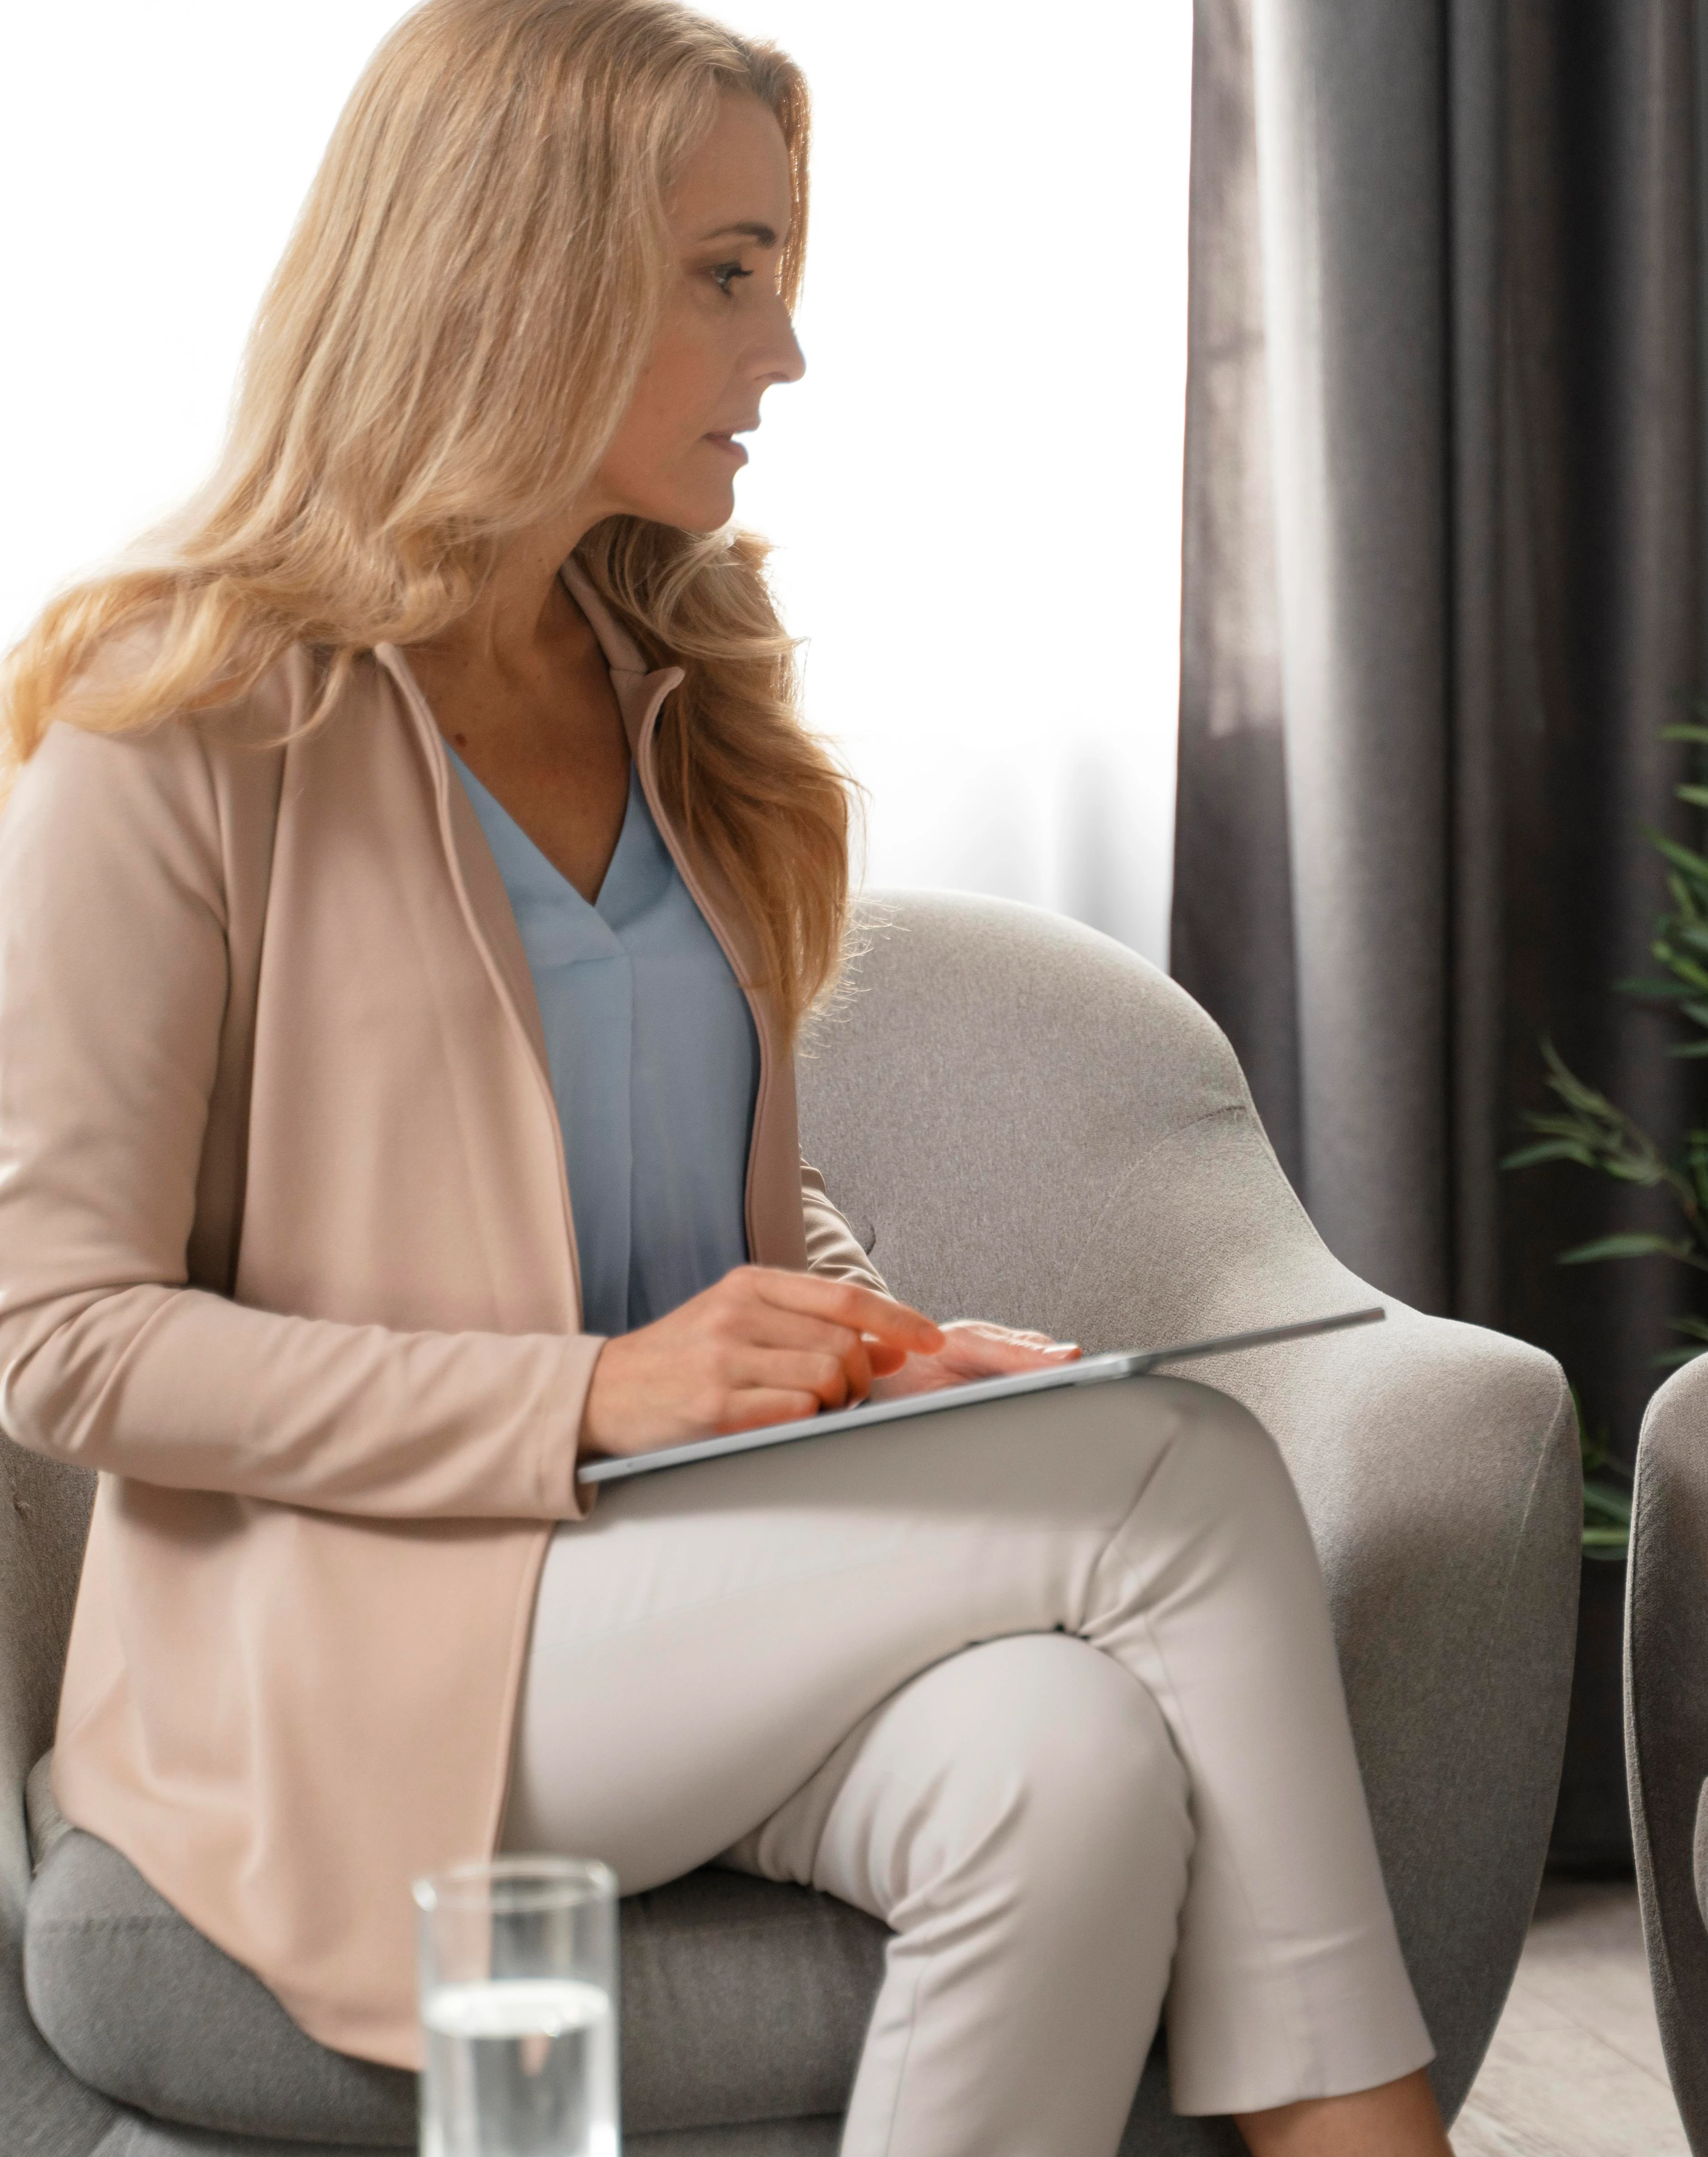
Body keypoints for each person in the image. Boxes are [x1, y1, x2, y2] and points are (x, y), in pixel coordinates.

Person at [0, 5, 1447, 2152]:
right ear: (514, 266)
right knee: (1184, 1475)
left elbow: (688, 1200)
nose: (785, 351)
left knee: (1064, 1760)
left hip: (687, 1574)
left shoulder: (676, 679)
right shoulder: (181, 717)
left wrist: (875, 1344)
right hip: (361, 1635)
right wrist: (588, 1396)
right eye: (727, 272)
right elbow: (60, 1340)